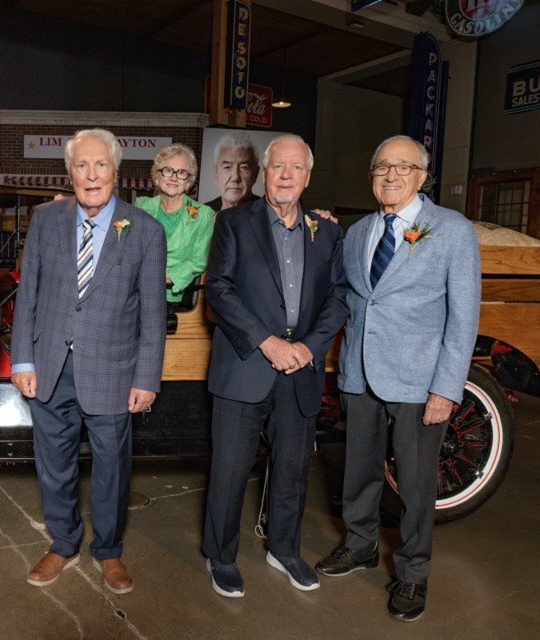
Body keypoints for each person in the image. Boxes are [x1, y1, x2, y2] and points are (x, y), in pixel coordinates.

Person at [315, 135, 481, 622]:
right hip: (359, 375)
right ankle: (361, 545)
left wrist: (446, 388)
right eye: (381, 167)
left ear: (423, 176)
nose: (390, 176)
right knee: (358, 473)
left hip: (419, 381)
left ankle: (412, 573)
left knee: (413, 483)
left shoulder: (451, 230)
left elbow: (463, 317)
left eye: (402, 167)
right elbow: (348, 295)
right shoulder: (358, 231)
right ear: (371, 177)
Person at [11, 128, 167, 595]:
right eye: (82, 165)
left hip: (114, 374)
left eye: (101, 165)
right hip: (51, 367)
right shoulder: (45, 219)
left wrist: (147, 377)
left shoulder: (145, 231)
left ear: (117, 172)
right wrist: (22, 360)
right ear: (69, 172)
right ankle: (62, 543)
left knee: (112, 469)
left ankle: (109, 550)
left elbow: (154, 314)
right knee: (53, 465)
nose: (92, 174)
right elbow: (29, 294)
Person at [201, 134, 348, 598]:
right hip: (246, 364)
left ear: (307, 176)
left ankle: (284, 549)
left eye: (296, 168)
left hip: (300, 368)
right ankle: (220, 556)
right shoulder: (233, 222)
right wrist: (266, 342)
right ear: (264, 173)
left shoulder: (327, 231)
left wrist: (309, 347)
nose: (285, 175)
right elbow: (219, 290)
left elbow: (338, 296)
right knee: (229, 468)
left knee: (292, 468)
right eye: (277, 166)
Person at [134, 143, 214, 305]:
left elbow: (199, 261)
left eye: (182, 172)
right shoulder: (141, 207)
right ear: (157, 177)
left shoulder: (204, 214)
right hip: (136, 294)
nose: (174, 177)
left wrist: (169, 277)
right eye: (168, 170)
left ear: (189, 182)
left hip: (175, 300)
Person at [204, 132, 261, 212]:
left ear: (256, 174)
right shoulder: (202, 213)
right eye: (227, 167)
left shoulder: (268, 214)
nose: (235, 177)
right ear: (216, 173)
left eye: (244, 167)